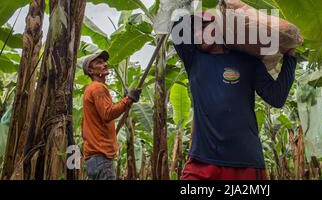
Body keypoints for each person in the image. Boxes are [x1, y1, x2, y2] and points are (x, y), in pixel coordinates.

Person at [171, 12, 297, 180]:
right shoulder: (194, 59)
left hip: (245, 164)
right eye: (193, 30)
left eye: (203, 27)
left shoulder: (248, 61)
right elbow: (177, 24)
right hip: (202, 162)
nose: (198, 34)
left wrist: (290, 58)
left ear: (218, 28)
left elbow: (277, 97)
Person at [81, 51, 141, 180]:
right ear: (90, 71)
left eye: (104, 62)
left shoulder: (90, 89)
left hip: (93, 159)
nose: (105, 64)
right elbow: (107, 113)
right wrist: (128, 99)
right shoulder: (98, 88)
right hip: (101, 158)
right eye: (99, 63)